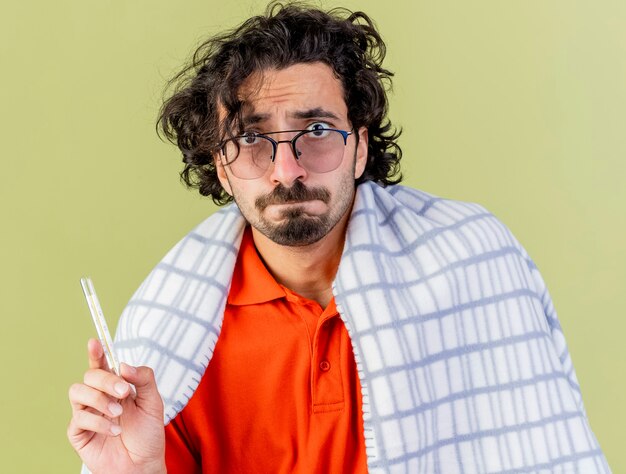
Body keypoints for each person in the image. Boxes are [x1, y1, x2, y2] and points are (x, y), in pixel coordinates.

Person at [67, 3, 610, 473]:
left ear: (362, 147)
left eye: (319, 131)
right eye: (253, 138)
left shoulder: (472, 265)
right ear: (222, 167)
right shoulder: (168, 330)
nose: (287, 169)